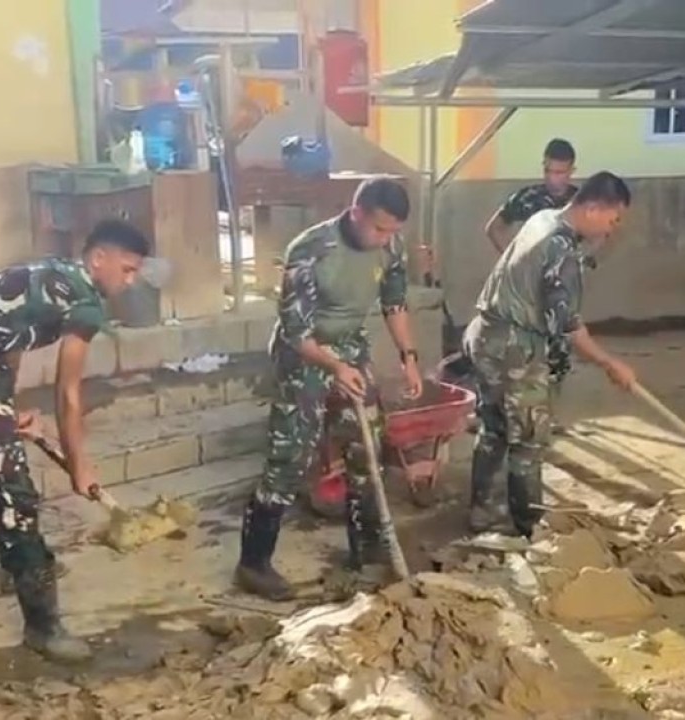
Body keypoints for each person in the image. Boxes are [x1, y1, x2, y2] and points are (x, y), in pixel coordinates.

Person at [0, 219, 150, 663]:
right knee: (15, 495)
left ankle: (20, 563)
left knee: (7, 473)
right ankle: (43, 626)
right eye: (128, 269)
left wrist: (6, 402)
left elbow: (8, 332)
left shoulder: (53, 274)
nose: (130, 281)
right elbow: (68, 392)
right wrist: (80, 465)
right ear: (99, 258)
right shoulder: (85, 302)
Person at [235, 177, 423, 601]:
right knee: (290, 457)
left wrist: (408, 356)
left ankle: (366, 552)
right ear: (356, 213)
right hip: (304, 354)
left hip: (350, 349)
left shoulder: (391, 245)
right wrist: (335, 366)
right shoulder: (310, 250)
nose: (385, 239)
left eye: (392, 231)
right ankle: (254, 563)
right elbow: (296, 332)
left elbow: (394, 304)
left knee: (367, 447)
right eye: (378, 229)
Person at [465, 171, 638, 537]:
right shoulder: (561, 251)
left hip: (484, 336)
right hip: (514, 349)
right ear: (592, 208)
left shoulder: (542, 219)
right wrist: (610, 363)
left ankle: (482, 511)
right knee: (527, 440)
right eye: (613, 217)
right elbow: (568, 326)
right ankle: (530, 530)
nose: (613, 227)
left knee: (494, 430)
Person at [484, 138, 586, 435]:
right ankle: (519, 417)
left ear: (572, 171)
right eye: (550, 171)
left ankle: (549, 417)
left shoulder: (579, 203)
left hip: (563, 293)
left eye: (562, 172)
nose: (555, 179)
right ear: (544, 168)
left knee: (560, 354)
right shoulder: (528, 198)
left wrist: (585, 259)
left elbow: (601, 234)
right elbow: (493, 227)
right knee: (526, 354)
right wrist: (513, 261)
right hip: (529, 296)